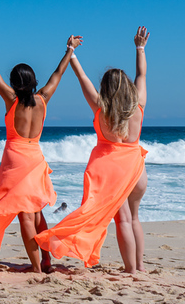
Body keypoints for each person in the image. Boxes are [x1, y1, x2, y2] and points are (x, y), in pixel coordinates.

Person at [35, 28, 150, 272]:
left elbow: (82, 79)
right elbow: (142, 73)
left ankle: (130, 269)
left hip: (114, 173)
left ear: (106, 89)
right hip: (138, 170)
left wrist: (72, 52)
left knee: (124, 221)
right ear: (128, 86)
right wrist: (140, 48)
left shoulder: (101, 107)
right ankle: (139, 266)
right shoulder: (138, 105)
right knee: (135, 218)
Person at [0, 31, 77, 272]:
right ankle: (45, 260)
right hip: (35, 159)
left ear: (15, 83)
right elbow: (58, 74)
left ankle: (37, 268)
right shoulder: (43, 99)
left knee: (26, 216)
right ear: (34, 80)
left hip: (15, 162)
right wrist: (69, 50)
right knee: (35, 213)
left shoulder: (11, 99)